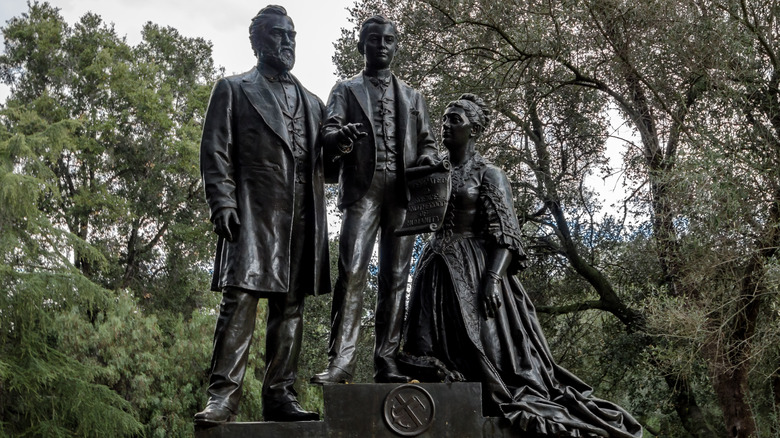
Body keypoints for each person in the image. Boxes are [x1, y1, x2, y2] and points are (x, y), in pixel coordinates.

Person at [400, 94, 643, 437]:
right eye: (444, 119)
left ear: (475, 129)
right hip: (434, 269)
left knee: (488, 352)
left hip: (475, 267)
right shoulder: (434, 169)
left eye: (456, 120)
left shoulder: (490, 174)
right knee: (429, 349)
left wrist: (493, 279)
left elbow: (507, 235)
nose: (446, 125)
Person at [195, 5, 329, 426]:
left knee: (291, 308)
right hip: (254, 211)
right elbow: (215, 151)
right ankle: (223, 397)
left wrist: (340, 146)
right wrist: (222, 203)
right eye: (277, 35)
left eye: (291, 36)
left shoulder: (313, 102)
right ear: (256, 41)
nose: (286, 42)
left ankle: (280, 395)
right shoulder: (233, 89)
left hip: (302, 216)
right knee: (240, 300)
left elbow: (332, 170)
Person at [311, 15, 438, 385]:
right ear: (361, 45)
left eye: (388, 40)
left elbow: (427, 141)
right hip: (363, 191)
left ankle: (387, 360)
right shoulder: (345, 90)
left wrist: (429, 158)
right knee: (351, 273)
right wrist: (342, 137)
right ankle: (342, 362)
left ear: (396, 46)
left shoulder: (414, 97)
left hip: (401, 193)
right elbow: (328, 134)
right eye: (374, 40)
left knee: (396, 278)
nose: (382, 46)